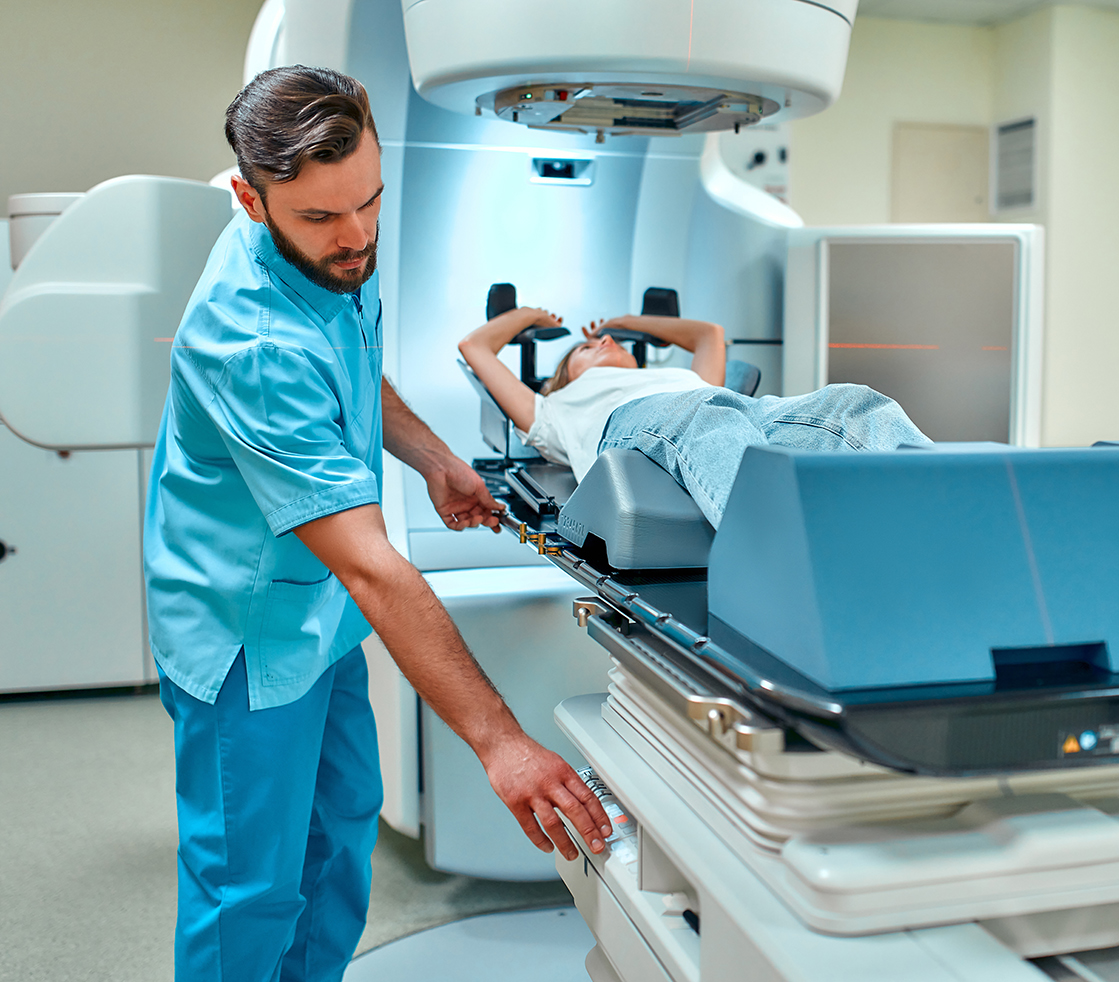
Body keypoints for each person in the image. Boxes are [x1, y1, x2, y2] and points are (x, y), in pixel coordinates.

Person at [143, 67, 612, 981]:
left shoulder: (334, 249)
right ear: (252, 199)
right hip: (244, 635)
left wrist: (436, 459)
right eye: (322, 219)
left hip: (315, 616)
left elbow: (353, 374)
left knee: (342, 835)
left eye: (369, 202)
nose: (355, 237)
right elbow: (372, 568)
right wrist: (501, 741)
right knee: (249, 886)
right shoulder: (251, 343)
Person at [458, 305, 932, 527]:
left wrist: (623, 322)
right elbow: (475, 346)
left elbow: (710, 334)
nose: (604, 343)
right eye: (585, 348)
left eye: (610, 342)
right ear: (561, 379)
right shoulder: (554, 409)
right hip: (642, 425)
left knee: (851, 404)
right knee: (709, 416)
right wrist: (528, 315)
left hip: (739, 412)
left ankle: (950, 517)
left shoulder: (686, 378)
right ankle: (788, 568)